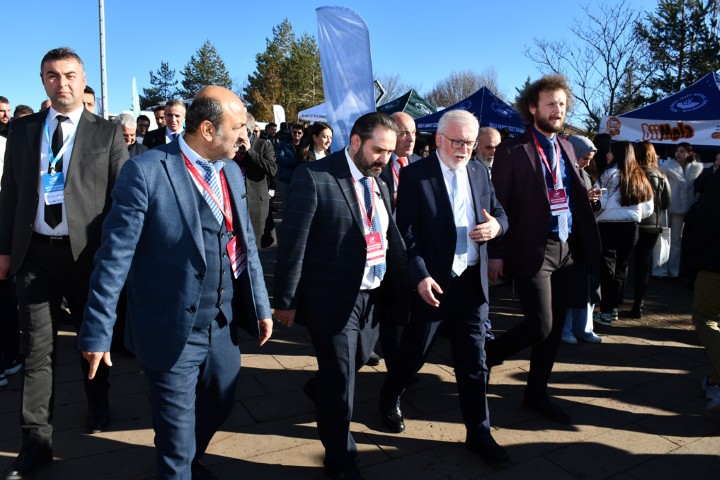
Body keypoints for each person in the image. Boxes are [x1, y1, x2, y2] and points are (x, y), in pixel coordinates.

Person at [78, 86, 273, 479]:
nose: (245, 136)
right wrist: (98, 330)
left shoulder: (232, 172)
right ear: (207, 129)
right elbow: (114, 258)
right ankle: (179, 460)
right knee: (175, 445)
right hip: (170, 329)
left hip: (222, 326)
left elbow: (246, 245)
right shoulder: (146, 171)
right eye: (238, 127)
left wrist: (261, 305)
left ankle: (187, 455)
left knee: (222, 400)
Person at [0, 47, 128, 479]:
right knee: (37, 352)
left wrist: (116, 259)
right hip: (34, 256)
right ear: (43, 81)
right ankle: (35, 444)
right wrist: (4, 250)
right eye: (52, 75)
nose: (62, 83)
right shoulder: (23, 131)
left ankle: (98, 401)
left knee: (92, 339)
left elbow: (121, 202)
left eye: (70, 74)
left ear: (83, 78)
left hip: (86, 257)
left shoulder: (106, 133)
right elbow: (10, 193)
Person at [274, 112, 407, 480]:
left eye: (390, 152)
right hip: (333, 297)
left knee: (360, 358)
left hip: (373, 295)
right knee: (341, 383)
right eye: (378, 150)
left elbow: (387, 234)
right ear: (355, 142)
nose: (384, 159)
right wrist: (285, 299)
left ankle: (320, 387)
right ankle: (341, 461)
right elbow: (293, 243)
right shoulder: (315, 176)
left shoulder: (380, 181)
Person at [379, 109, 509, 465]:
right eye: (457, 142)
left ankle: (479, 432)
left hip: (472, 284)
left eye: (470, 143)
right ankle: (389, 397)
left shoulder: (480, 172)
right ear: (438, 140)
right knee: (414, 353)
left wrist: (496, 228)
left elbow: (501, 213)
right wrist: (420, 274)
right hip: (434, 283)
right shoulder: (416, 175)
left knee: (475, 361)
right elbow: (406, 233)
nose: (464, 149)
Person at [486, 74, 601, 425]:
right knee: (540, 325)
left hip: (567, 247)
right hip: (532, 248)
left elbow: (567, 193)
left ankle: (536, 393)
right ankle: (487, 354)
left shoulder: (567, 147)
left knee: (553, 330)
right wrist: (496, 253)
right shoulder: (513, 149)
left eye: (562, 104)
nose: (558, 110)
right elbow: (499, 203)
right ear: (533, 108)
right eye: (551, 103)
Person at [593, 141, 654, 326]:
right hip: (631, 228)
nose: (607, 155)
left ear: (618, 154)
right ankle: (613, 309)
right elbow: (648, 209)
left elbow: (599, 202)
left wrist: (594, 213)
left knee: (607, 269)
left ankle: (605, 311)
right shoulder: (640, 177)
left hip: (608, 226)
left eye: (610, 152)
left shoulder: (608, 174)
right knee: (621, 268)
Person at [560, 135, 602, 344]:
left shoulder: (583, 174)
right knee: (571, 286)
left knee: (585, 286)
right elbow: (561, 204)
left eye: (589, 159)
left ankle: (583, 327)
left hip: (583, 238)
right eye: (585, 158)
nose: (586, 163)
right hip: (570, 238)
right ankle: (566, 328)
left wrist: (593, 200)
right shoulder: (562, 172)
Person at [687, 166, 720, 412]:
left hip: (715, 262)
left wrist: (692, 252)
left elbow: (707, 219)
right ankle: (714, 381)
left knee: (705, 319)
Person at [631, 141, 671, 319]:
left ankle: (614, 303)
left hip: (632, 222)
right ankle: (638, 303)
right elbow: (667, 201)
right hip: (652, 224)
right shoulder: (660, 174)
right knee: (644, 264)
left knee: (625, 263)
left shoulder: (632, 172)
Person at [655, 142, 703, 279]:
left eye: (682, 151)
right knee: (663, 238)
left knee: (676, 240)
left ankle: (673, 270)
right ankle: (660, 269)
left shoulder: (696, 168)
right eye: (677, 151)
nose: (678, 154)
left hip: (683, 207)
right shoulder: (667, 166)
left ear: (689, 153)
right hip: (667, 206)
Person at [233, 112, 277, 247]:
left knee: (255, 245)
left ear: (248, 128)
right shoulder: (231, 144)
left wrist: (250, 151)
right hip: (235, 200)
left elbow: (272, 170)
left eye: (237, 126)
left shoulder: (263, 145)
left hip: (256, 203)